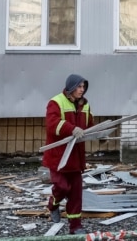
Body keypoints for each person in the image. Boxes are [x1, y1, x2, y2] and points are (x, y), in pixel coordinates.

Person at [43, 73, 94, 234]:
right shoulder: (55, 102)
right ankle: (53, 204)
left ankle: (76, 227)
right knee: (62, 187)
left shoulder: (85, 105)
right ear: (71, 87)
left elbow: (90, 125)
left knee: (76, 194)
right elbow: (52, 125)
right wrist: (71, 128)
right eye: (79, 86)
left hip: (76, 158)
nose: (82, 90)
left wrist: (100, 136)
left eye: (83, 86)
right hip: (58, 157)